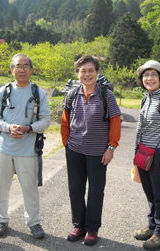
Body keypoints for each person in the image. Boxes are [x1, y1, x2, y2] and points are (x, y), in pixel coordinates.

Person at [61, 55, 121, 246]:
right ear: (77, 73)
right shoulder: (71, 95)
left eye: (91, 70)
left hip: (98, 152)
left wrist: (111, 147)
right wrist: (67, 144)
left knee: (96, 191)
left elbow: (115, 121)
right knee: (75, 189)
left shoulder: (106, 95)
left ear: (97, 72)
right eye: (82, 70)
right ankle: (78, 224)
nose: (87, 74)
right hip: (75, 150)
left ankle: (92, 228)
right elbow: (64, 120)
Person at [0, 54, 51, 239]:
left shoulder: (38, 93)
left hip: (28, 150)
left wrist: (28, 128)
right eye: (18, 66)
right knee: (1, 186)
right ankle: (0, 220)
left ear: (31, 70)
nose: (22, 69)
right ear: (12, 70)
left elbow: (45, 120)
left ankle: (34, 222)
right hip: (4, 148)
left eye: (26, 66)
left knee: (30, 188)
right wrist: (8, 128)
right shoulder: (3, 92)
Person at [133, 60, 160, 250]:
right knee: (150, 193)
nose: (149, 78)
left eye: (153, 74)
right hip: (144, 152)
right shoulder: (146, 97)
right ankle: (152, 226)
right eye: (145, 75)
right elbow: (140, 128)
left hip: (159, 154)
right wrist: (136, 154)